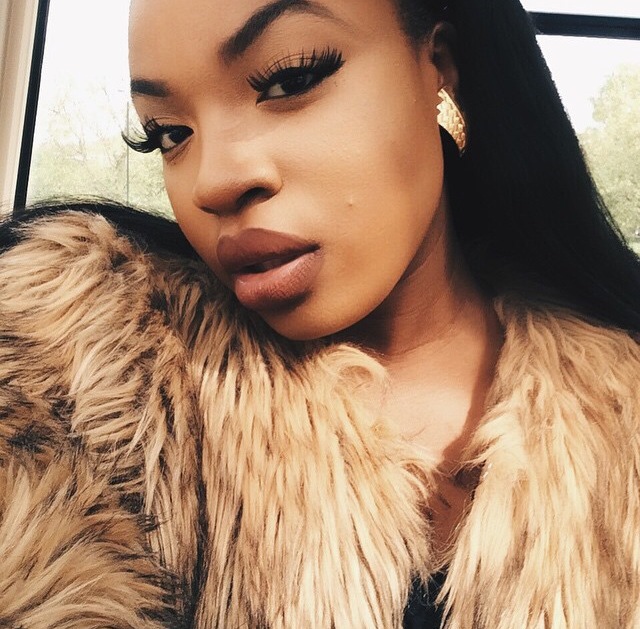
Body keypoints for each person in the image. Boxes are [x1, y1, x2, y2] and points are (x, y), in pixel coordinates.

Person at [1, 0, 639, 627]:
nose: (212, 182)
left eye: (290, 79)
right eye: (170, 134)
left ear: (439, 65)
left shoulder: (625, 418)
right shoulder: (91, 389)